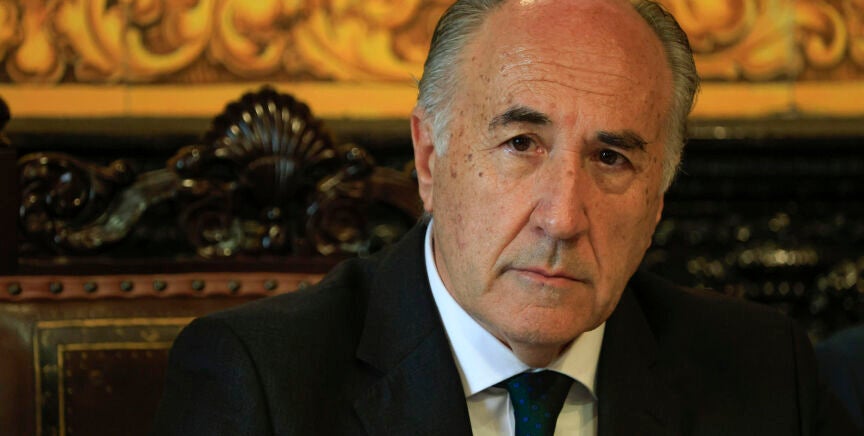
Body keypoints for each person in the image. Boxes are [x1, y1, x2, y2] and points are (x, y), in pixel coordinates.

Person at [151, 0, 857, 434]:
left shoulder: (766, 375)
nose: (563, 218)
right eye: (521, 144)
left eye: (612, 158)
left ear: (660, 198)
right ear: (430, 158)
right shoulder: (263, 384)